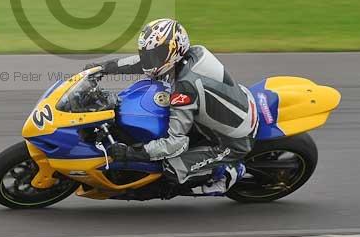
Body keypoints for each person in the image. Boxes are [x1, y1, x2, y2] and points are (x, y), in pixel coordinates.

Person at [88, 18, 257, 196]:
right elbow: (142, 64)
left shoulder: (185, 87)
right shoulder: (193, 53)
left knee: (171, 168)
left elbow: (176, 143)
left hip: (233, 140)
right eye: (148, 54)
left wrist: (131, 153)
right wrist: (103, 68)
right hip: (233, 106)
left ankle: (228, 171)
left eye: (155, 55)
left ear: (173, 51)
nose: (149, 60)